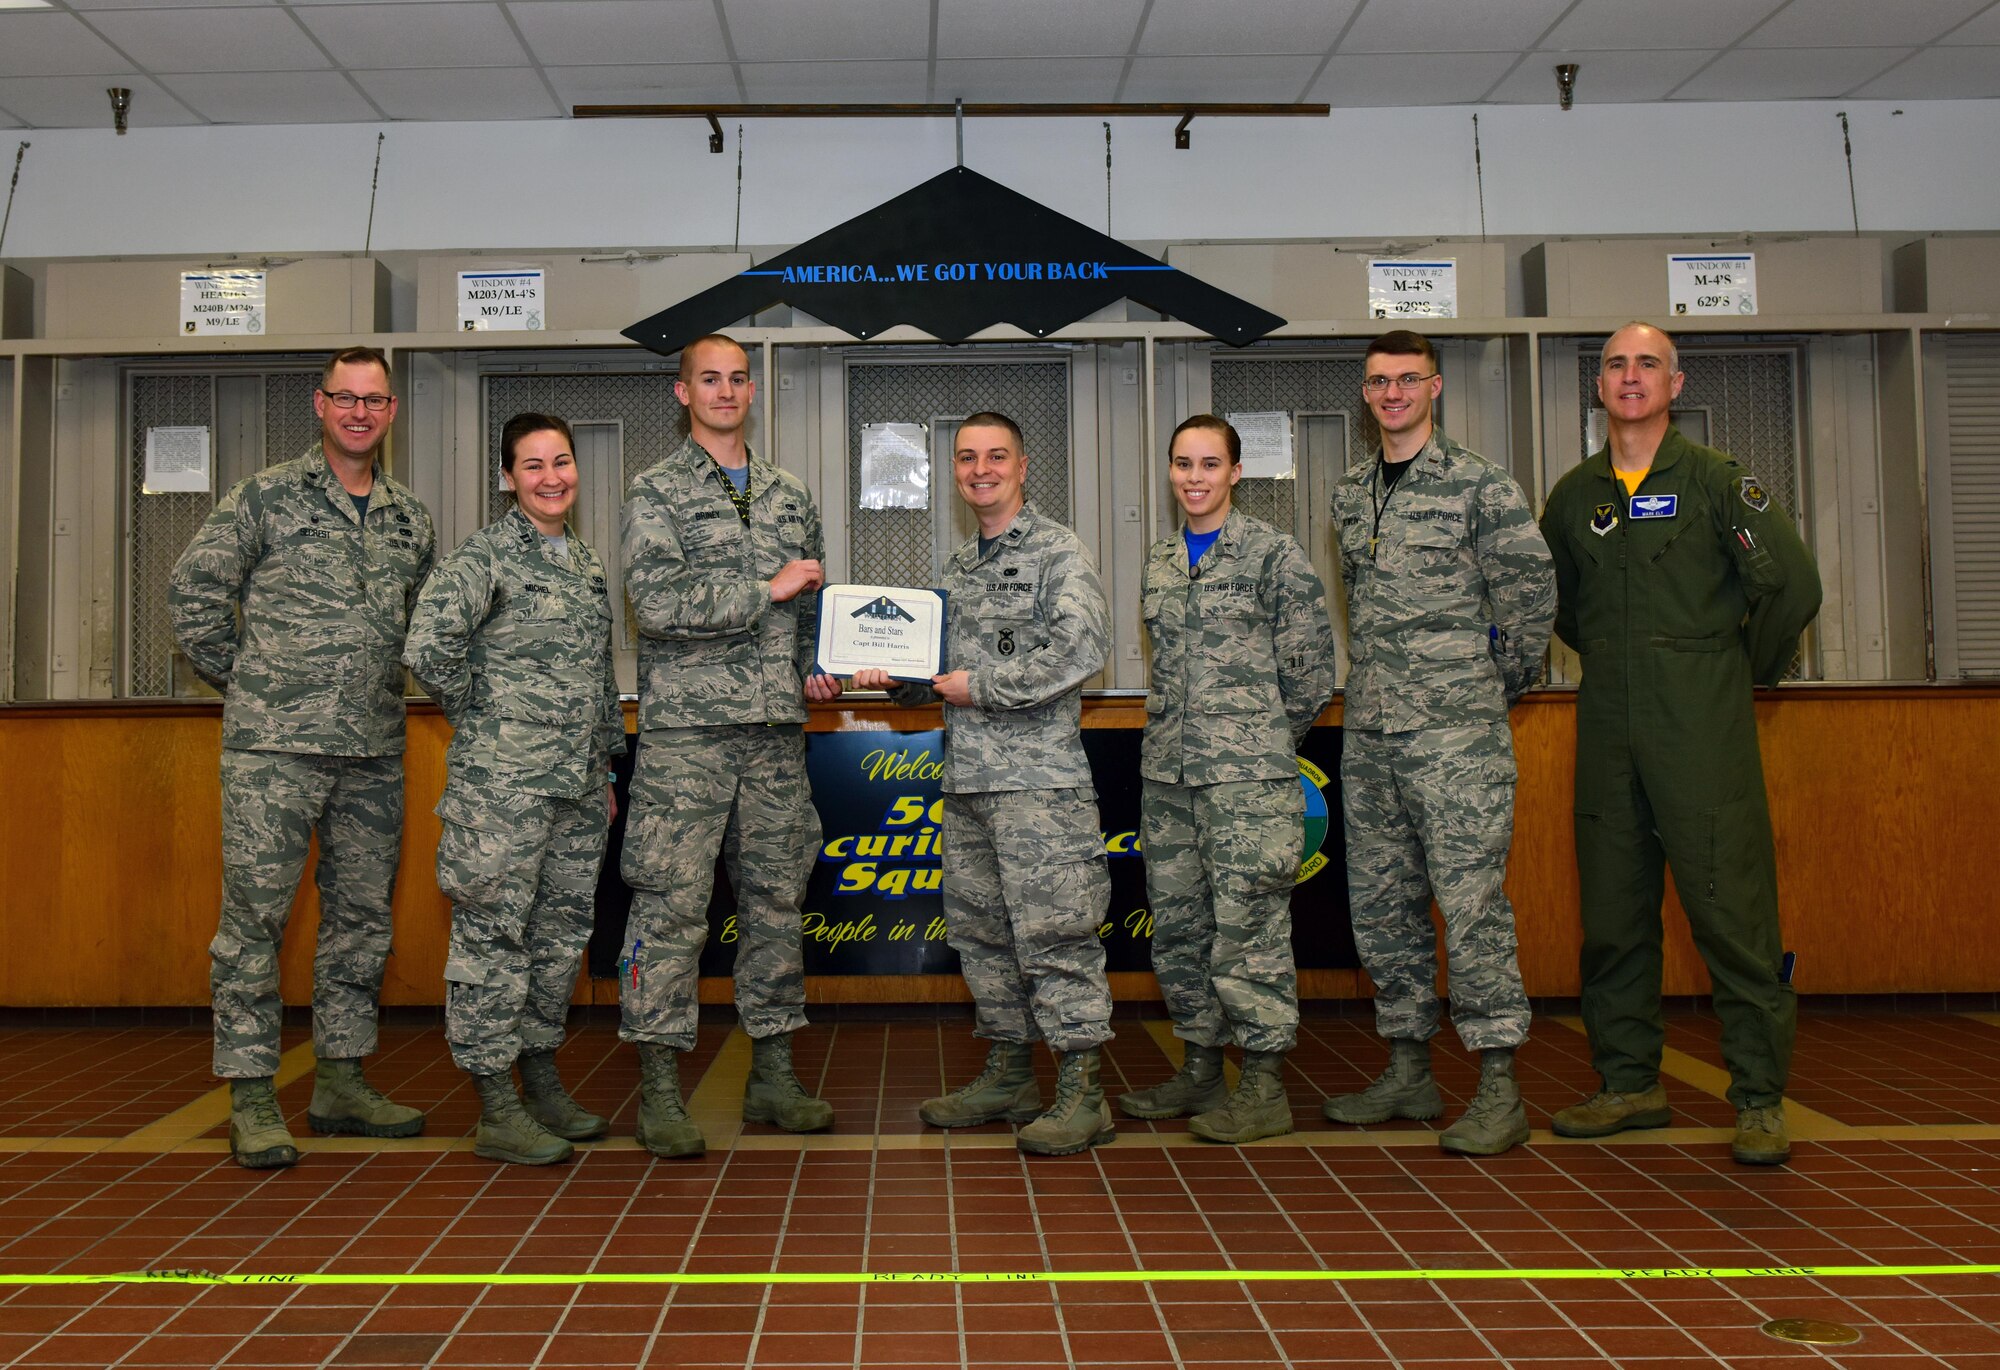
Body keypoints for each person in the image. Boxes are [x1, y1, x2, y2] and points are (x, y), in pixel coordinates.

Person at [1540, 322, 1821, 1166]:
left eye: (1647, 365)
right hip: (1609, 724)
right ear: (1599, 386)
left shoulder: (1714, 482)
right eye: (1616, 365)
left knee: (1731, 913)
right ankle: (1628, 1082)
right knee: (1614, 916)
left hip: (1702, 726)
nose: (1631, 378)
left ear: (1676, 382)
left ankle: (1760, 1098)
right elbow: (1560, 604)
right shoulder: (1575, 492)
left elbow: (1792, 584)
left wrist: (1740, 671)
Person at [169, 345, 436, 1170]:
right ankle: (251, 1095)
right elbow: (193, 594)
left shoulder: (408, 518)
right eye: (345, 397)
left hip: (370, 751)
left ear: (391, 413)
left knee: (360, 921)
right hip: (274, 753)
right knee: (255, 922)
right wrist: (252, 682)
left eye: (375, 400)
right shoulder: (265, 498)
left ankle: (341, 1081)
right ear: (319, 405)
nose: (360, 412)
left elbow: (424, 626)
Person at [852, 412, 1115, 1156]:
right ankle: (1009, 1072)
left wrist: (984, 686)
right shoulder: (958, 568)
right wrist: (890, 677)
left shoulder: (1060, 551)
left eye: (996, 456)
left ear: (1023, 466)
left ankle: (1083, 1091)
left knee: (1056, 933)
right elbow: (936, 676)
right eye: (968, 458)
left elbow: (1083, 647)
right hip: (968, 784)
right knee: (984, 936)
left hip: (1039, 787)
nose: (981, 469)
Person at [1321, 330, 1555, 1157]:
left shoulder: (1480, 487)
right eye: (1378, 381)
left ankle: (1498, 1087)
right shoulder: (1351, 492)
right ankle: (1409, 1070)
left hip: (1457, 735)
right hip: (1374, 731)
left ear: (1436, 386)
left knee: (1472, 910)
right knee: (1383, 908)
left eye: (1406, 379)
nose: (1391, 394)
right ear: (1365, 392)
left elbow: (1530, 603)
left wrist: (1488, 688)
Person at [618, 333, 842, 1158]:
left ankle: (773, 1075)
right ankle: (659, 1090)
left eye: (737, 379)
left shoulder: (788, 493)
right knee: (670, 908)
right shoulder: (656, 491)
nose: (724, 391)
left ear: (754, 390)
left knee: (777, 904)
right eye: (707, 379)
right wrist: (764, 589)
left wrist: (817, 662)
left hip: (775, 738)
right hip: (688, 740)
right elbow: (657, 600)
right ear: (682, 393)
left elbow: (813, 603)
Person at [403, 413, 625, 1167]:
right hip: (502, 790)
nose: (552, 477)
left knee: (558, 940)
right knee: (493, 939)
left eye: (561, 461)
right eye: (533, 466)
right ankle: (495, 1104)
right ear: (508, 477)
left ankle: (541, 1078)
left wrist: (604, 767)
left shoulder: (586, 564)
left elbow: (599, 677)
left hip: (575, 788)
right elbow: (428, 646)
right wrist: (488, 718)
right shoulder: (485, 557)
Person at [1117, 415, 1335, 1144]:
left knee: (1250, 932)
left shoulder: (1273, 555)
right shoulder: (1159, 559)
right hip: (1171, 779)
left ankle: (1266, 1085)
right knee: (1180, 931)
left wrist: (1258, 744)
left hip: (1248, 785)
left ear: (1236, 473)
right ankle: (1201, 1070)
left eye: (1211, 464)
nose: (1195, 477)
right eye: (1183, 464)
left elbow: (1309, 676)